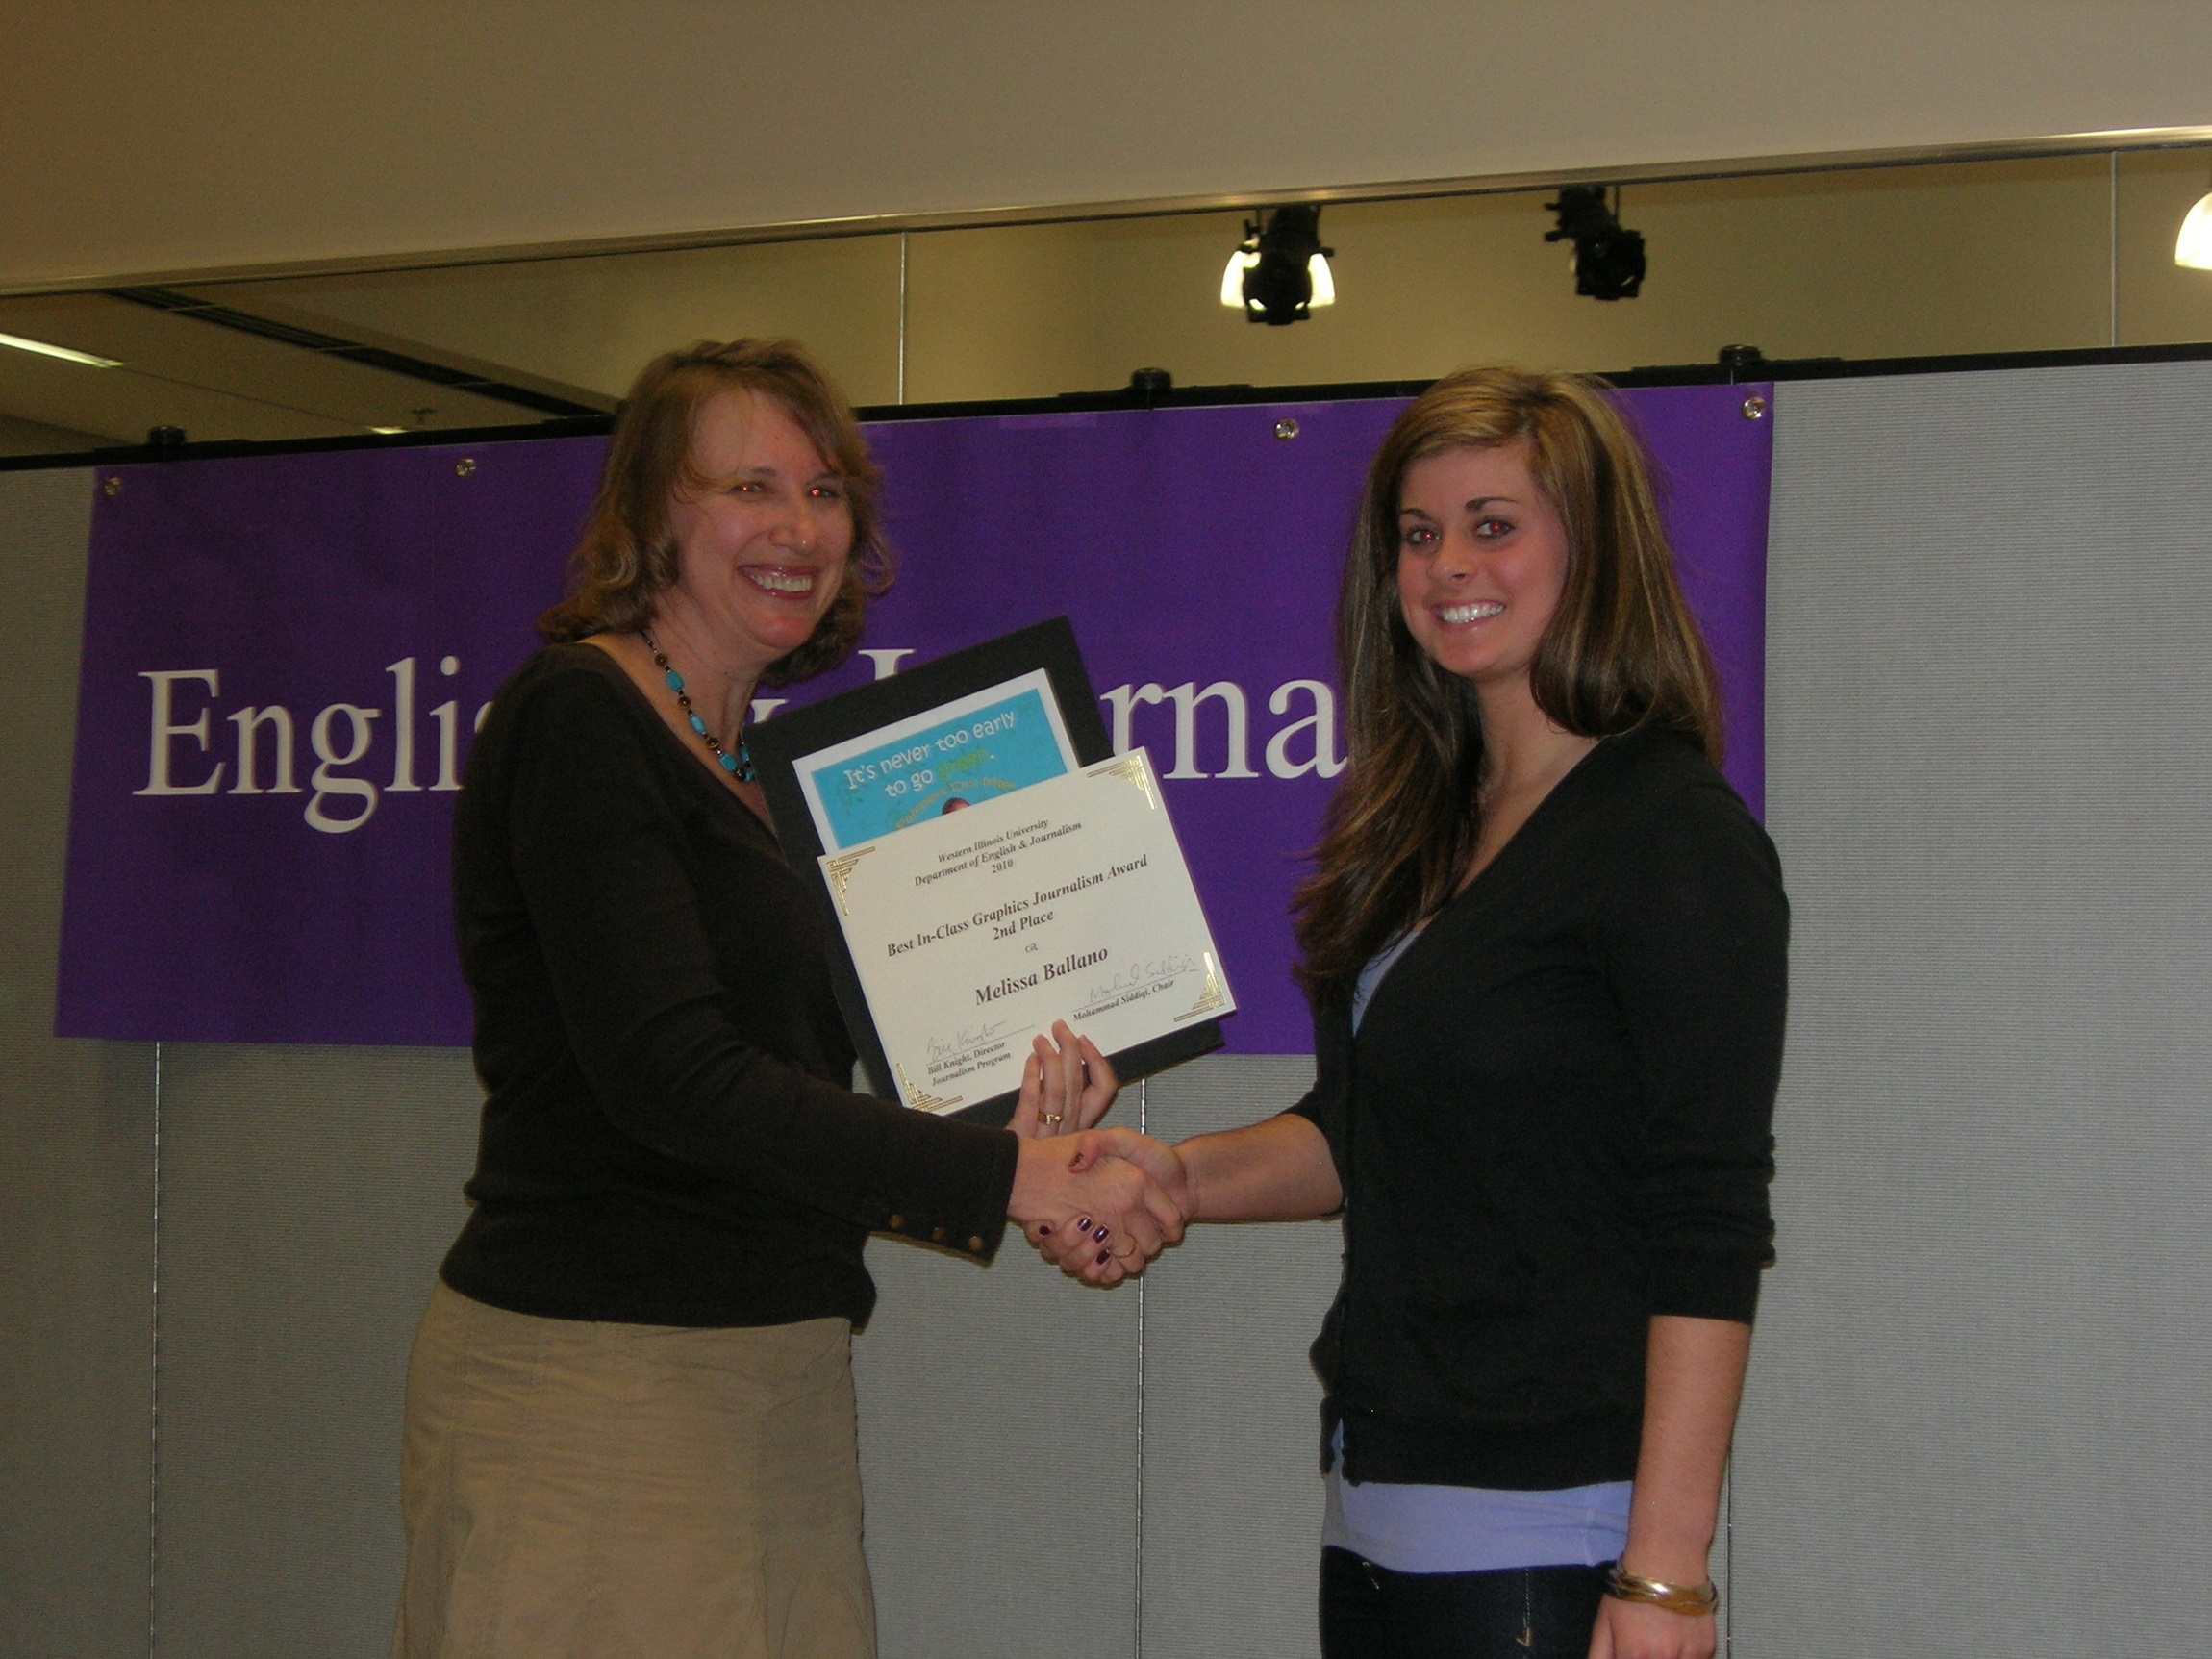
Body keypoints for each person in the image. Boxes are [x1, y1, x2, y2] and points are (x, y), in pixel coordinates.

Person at [392, 338, 1181, 1659]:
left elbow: (804, 1083)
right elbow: (676, 1079)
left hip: (773, 1367)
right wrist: (1012, 1181)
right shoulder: (580, 716)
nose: (799, 529)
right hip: (601, 1382)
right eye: (749, 487)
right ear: (653, 514)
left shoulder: (765, 772)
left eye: (825, 493)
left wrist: (1020, 1115)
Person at [1044, 368, 1788, 1659]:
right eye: (1418, 533)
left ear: (1592, 547)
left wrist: (1667, 1574)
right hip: (1375, 1514)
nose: (1449, 567)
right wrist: (1170, 1175)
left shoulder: (1671, 832)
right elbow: (1359, 1132)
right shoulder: (1426, 826)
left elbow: (1708, 1218)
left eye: (1494, 525)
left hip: (1552, 1536)